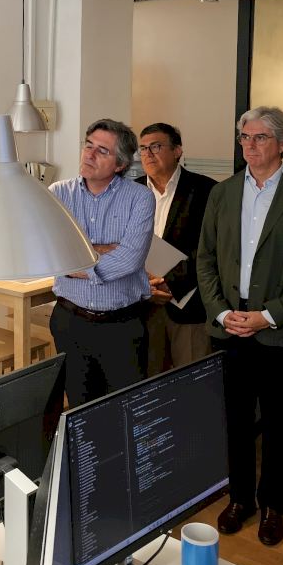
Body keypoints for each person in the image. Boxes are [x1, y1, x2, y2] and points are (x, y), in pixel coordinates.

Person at [198, 107, 283, 547]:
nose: (250, 146)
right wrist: (221, 312)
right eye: (244, 137)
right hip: (230, 326)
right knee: (234, 420)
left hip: (278, 330)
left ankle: (273, 503)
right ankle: (240, 498)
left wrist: (268, 316)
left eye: (261, 138)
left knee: (277, 423)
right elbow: (205, 259)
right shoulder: (223, 192)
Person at [48, 119, 154, 407]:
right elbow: (50, 254)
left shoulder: (140, 198)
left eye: (102, 151)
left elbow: (129, 260)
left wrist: (75, 258)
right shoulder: (58, 193)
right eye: (88, 146)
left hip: (122, 326)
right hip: (70, 322)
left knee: (126, 410)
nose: (89, 155)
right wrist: (105, 250)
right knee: (81, 409)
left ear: (120, 164)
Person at [134, 122, 217, 373]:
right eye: (143, 148)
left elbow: (211, 250)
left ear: (177, 151)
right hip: (143, 301)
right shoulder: (131, 191)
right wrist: (145, 286)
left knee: (192, 379)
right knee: (150, 379)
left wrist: (171, 283)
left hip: (188, 302)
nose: (148, 154)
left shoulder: (207, 190)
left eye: (156, 146)